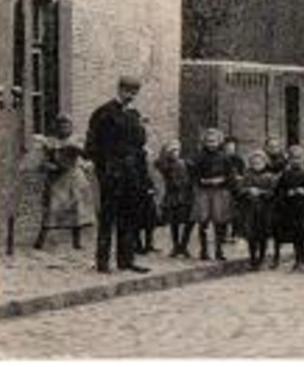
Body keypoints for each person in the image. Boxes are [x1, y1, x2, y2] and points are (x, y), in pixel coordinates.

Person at [85, 75, 150, 274]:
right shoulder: (104, 112)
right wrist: (103, 170)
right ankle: (102, 262)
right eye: (127, 91)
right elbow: (92, 145)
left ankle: (126, 260)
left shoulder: (134, 115)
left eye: (134, 92)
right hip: (111, 173)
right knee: (108, 217)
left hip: (131, 174)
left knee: (129, 217)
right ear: (119, 89)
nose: (130, 95)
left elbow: (140, 145)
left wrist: (141, 174)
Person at [32, 116, 95, 251]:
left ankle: (77, 242)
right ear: (56, 127)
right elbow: (42, 162)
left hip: (74, 177)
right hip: (57, 179)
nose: (64, 129)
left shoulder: (77, 140)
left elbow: (87, 156)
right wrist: (50, 166)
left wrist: (78, 150)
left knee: (76, 209)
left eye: (67, 126)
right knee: (51, 208)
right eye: (61, 126)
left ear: (71, 127)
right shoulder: (50, 142)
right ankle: (40, 241)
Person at [190, 128, 235, 261]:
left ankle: (219, 251)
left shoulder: (224, 157)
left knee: (219, 222)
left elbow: (230, 175)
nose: (211, 144)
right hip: (203, 192)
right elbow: (193, 174)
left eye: (214, 141)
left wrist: (223, 180)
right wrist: (201, 181)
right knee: (203, 222)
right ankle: (204, 251)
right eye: (209, 141)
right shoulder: (199, 157)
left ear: (219, 142)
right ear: (204, 142)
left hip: (220, 192)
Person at [272, 142, 304, 271]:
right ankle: (299, 259)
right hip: (291, 210)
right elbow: (278, 191)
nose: (296, 161)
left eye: (299, 157)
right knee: (297, 236)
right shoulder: (286, 175)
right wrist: (287, 193)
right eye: (293, 158)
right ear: (289, 159)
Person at [235, 150, 278, 270]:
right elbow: (239, 190)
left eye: (259, 162)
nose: (256, 164)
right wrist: (248, 191)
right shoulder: (247, 176)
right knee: (251, 235)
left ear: (265, 162)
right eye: (254, 162)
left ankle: (261, 258)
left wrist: (261, 192)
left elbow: (273, 192)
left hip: (264, 210)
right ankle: (253, 258)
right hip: (249, 211)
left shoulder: (270, 177)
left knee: (262, 235)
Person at [155, 139, 194, 258]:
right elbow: (158, 163)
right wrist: (165, 153)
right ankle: (176, 246)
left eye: (177, 150)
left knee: (190, 221)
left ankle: (184, 245)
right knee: (174, 222)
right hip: (173, 195)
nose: (175, 153)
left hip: (186, 195)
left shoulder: (186, 163)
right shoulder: (165, 165)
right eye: (172, 151)